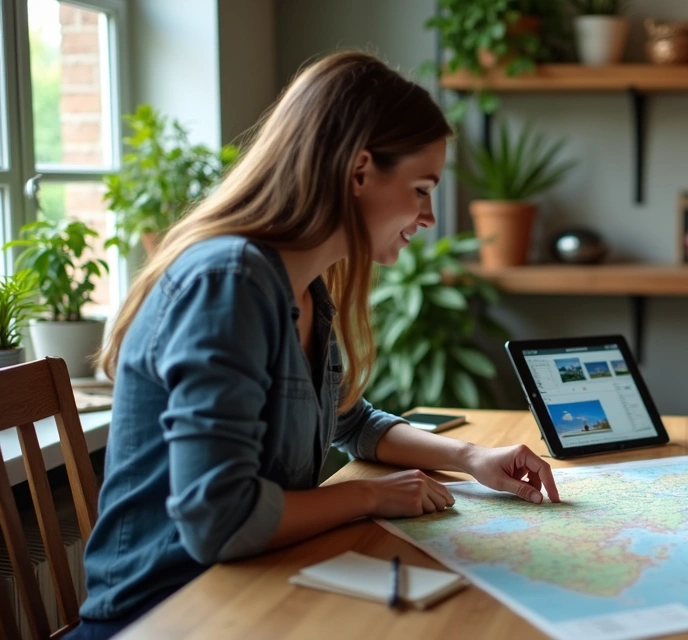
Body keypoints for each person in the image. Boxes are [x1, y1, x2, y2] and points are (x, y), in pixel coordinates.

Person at [71, 52, 560, 639]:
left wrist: (468, 458)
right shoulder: (229, 284)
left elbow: (350, 422)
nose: (429, 216)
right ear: (359, 171)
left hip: (256, 588)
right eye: (422, 188)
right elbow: (220, 519)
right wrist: (371, 498)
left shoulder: (302, 286)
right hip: (168, 612)